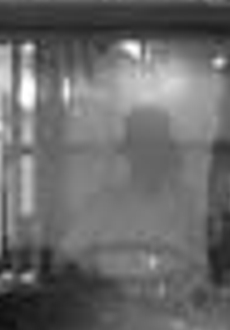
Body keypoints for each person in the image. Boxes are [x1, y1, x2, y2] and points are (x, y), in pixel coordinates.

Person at [62, 105, 203, 267]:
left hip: (171, 291)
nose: (149, 154)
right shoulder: (104, 203)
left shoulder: (186, 202)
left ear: (167, 151)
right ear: (129, 152)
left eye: (156, 145)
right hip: (112, 291)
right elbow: (68, 254)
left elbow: (199, 264)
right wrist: (98, 279)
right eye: (142, 145)